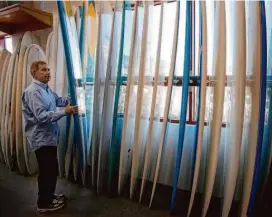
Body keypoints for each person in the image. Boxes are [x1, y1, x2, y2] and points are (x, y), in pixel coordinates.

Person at [21, 60, 78, 213]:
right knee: (47, 171)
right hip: (40, 138)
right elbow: (41, 116)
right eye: (43, 70)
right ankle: (43, 203)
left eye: (48, 70)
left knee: (51, 169)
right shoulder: (33, 91)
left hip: (49, 137)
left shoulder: (45, 88)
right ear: (34, 73)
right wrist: (64, 112)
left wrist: (72, 96)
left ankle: (50, 195)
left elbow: (58, 101)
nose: (48, 73)